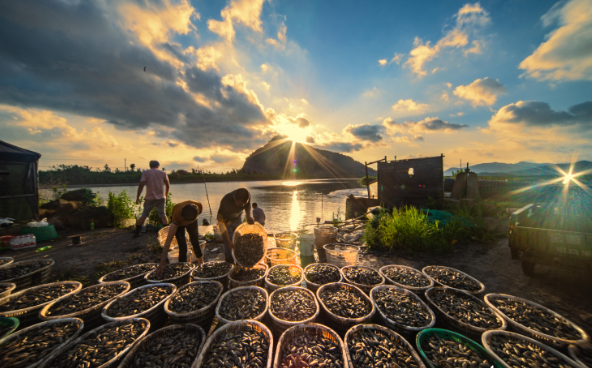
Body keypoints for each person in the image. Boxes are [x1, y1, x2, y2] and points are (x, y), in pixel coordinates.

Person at [156, 200, 203, 277]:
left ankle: (202, 265)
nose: (187, 224)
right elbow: (168, 241)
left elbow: (192, 218)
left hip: (192, 217)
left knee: (195, 242)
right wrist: (162, 263)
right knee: (182, 246)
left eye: (189, 222)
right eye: (186, 222)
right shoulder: (176, 217)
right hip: (180, 221)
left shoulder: (199, 206)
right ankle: (184, 269)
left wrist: (191, 221)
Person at [133, 160, 170, 238]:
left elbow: (141, 185)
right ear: (158, 166)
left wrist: (138, 197)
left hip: (149, 197)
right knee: (163, 215)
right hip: (161, 198)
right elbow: (167, 185)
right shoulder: (163, 173)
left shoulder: (146, 173)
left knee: (144, 215)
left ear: (150, 166)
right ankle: (167, 234)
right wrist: (165, 195)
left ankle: (136, 232)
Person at [217, 188, 254, 264]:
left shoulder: (247, 195)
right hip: (226, 222)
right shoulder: (226, 202)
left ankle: (239, 262)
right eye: (240, 204)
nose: (242, 206)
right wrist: (228, 241)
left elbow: (247, 205)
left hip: (237, 219)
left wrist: (248, 216)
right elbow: (221, 223)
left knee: (239, 240)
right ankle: (229, 263)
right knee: (229, 245)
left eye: (244, 203)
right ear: (234, 198)